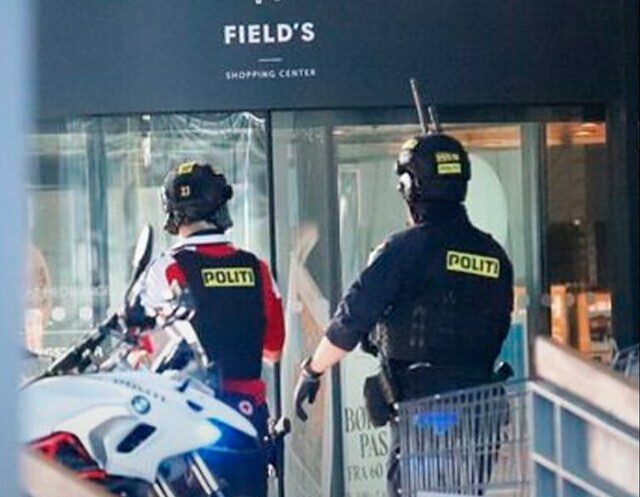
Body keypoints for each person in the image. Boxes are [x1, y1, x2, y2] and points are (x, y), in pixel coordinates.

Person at [293, 133, 514, 496]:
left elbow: (351, 319)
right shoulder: (493, 254)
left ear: (410, 186)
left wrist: (313, 370)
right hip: (479, 416)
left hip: (424, 415)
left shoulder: (405, 249)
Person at [138, 161, 285, 497]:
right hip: (247, 419)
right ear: (221, 205)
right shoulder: (256, 268)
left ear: (173, 214)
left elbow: (145, 350)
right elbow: (274, 350)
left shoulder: (165, 270)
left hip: (187, 422)